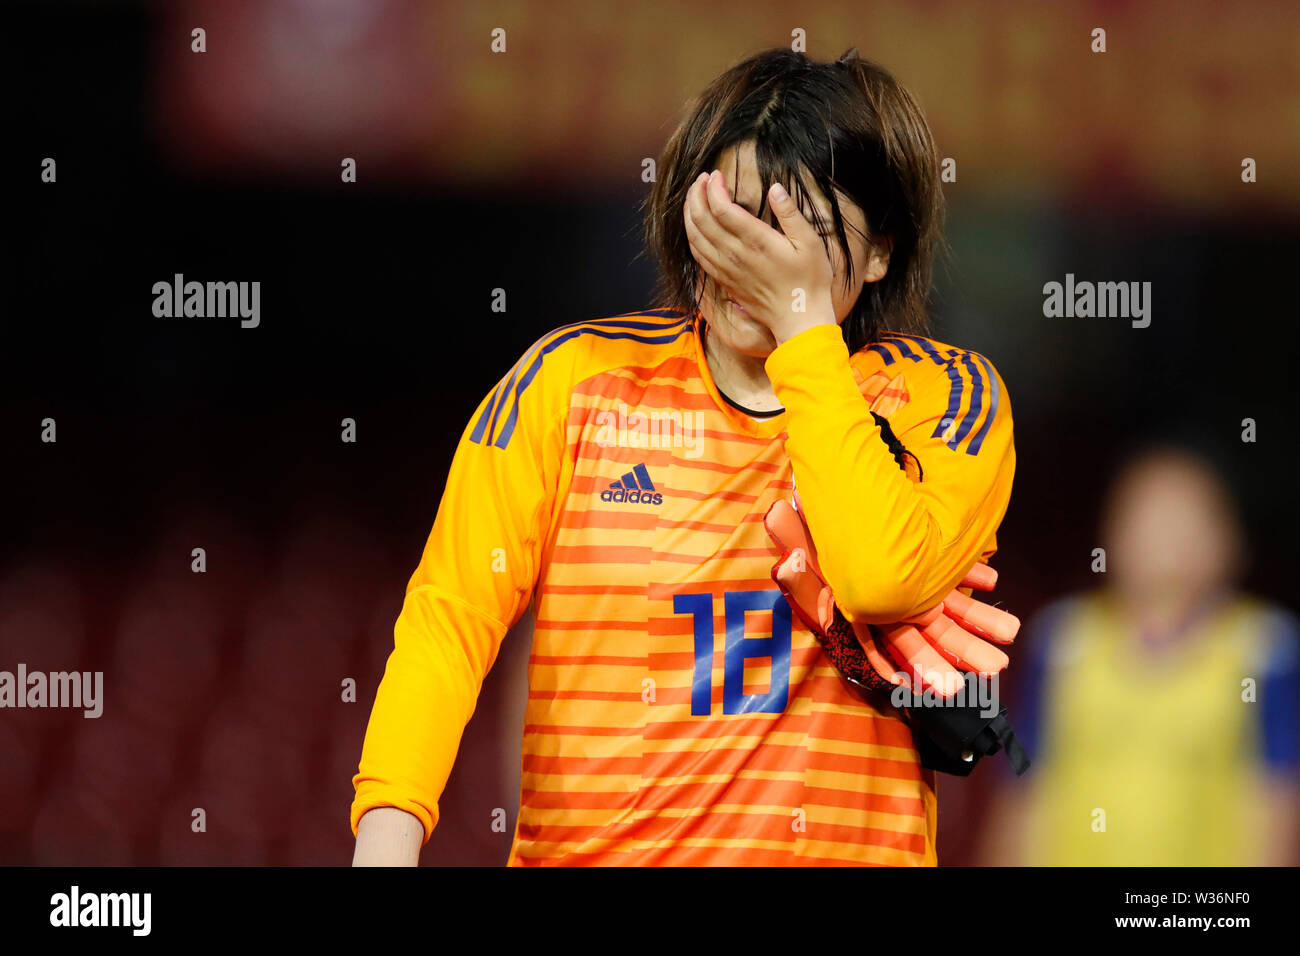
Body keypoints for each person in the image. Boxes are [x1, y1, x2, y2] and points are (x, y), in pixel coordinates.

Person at [351, 47, 1016, 866]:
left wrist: (805, 331)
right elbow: (447, 623)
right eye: (732, 215)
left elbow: (882, 576)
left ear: (880, 251)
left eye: (795, 230)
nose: (753, 256)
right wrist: (387, 836)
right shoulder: (572, 383)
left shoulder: (945, 399)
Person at [982, 447, 1300, 865]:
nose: (1165, 538)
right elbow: (1024, 790)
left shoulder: (1265, 650)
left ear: (1231, 539)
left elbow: (1277, 801)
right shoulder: (1062, 640)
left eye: (1186, 518)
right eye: (1148, 516)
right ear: (1110, 531)